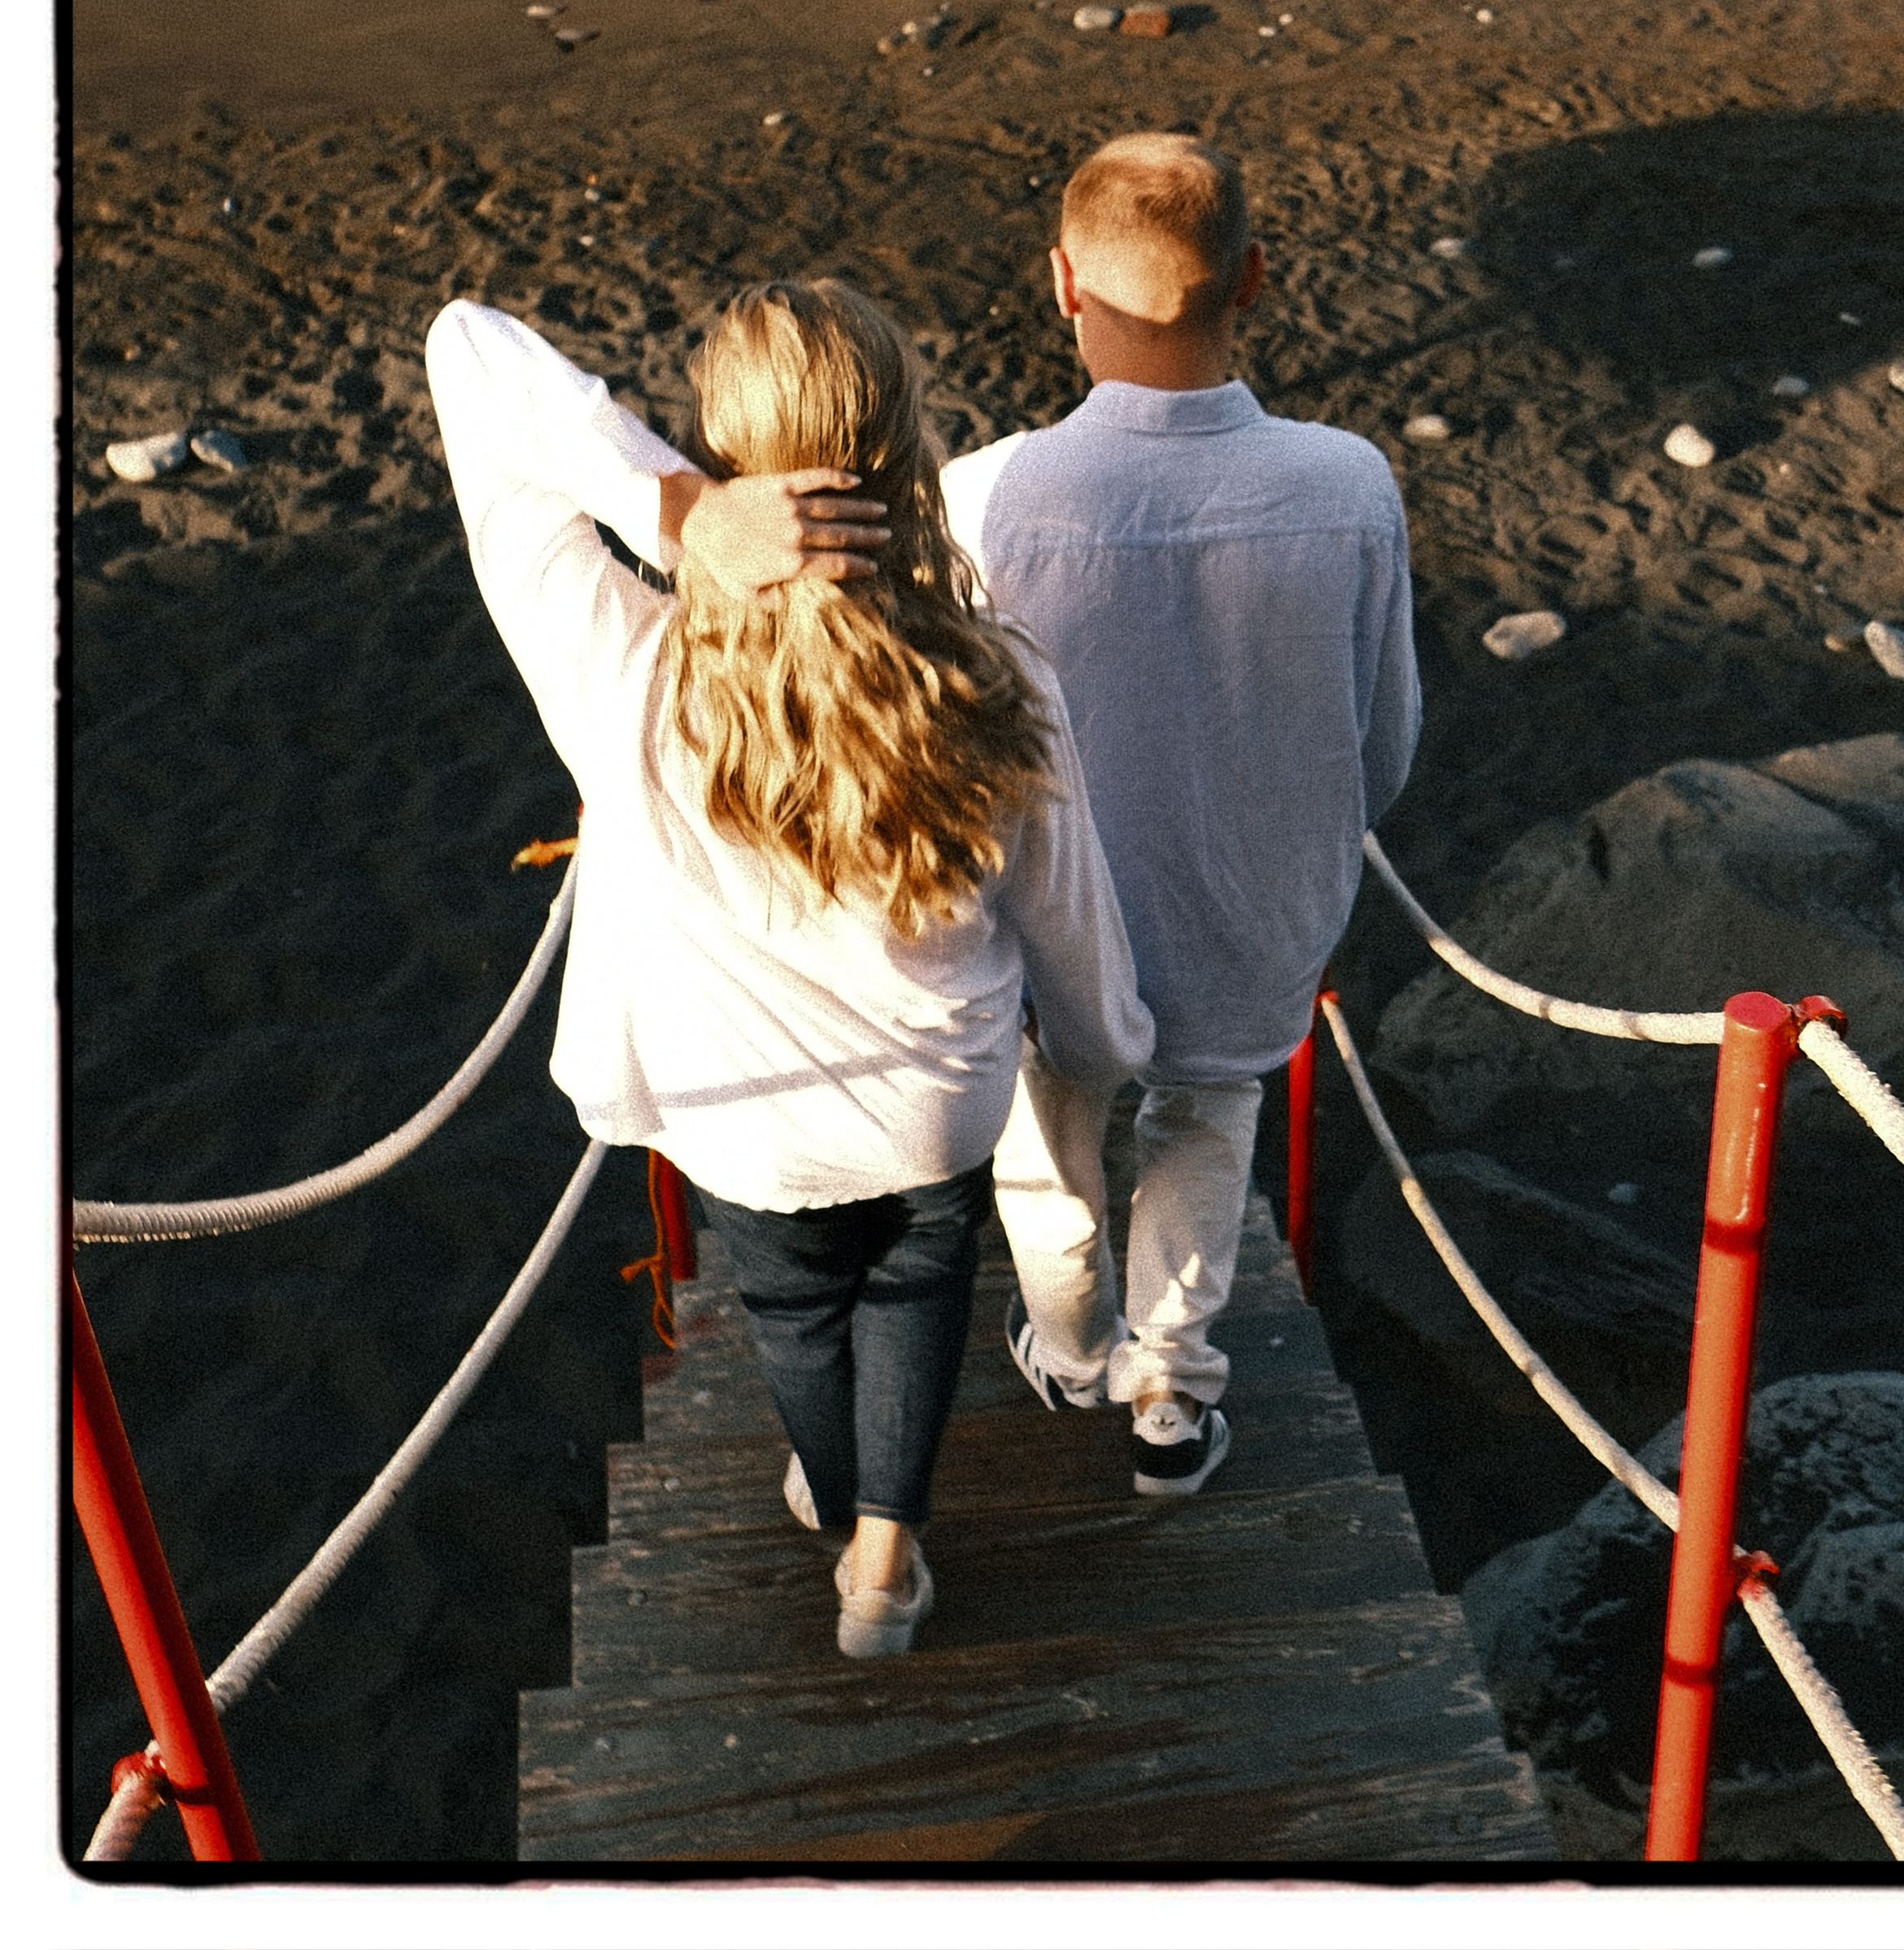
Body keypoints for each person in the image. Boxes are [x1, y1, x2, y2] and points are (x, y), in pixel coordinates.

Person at [425, 281, 1152, 1656]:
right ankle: (887, 1552)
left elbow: (468, 354)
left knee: (793, 1304)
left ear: (722, 448)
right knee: (923, 1279)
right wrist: (1101, 1051)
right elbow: (1074, 933)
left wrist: (678, 512)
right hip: (937, 1104)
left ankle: (835, 1487)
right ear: (906, 448)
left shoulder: (624, 672)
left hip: (737, 1113)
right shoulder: (998, 678)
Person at [942, 134, 1420, 1495]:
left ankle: (1074, 1341)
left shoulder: (988, 494)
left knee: (1051, 1136)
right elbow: (1383, 739)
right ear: (1254, 279)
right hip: (1255, 901)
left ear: (1062, 286)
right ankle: (1170, 1395)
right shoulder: (1349, 484)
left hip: (1052, 914)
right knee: (1208, 1124)